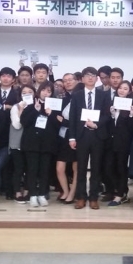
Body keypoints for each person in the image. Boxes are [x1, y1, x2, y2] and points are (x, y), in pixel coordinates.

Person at [68, 67, 112, 209]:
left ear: (97, 78)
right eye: (87, 75)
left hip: (98, 135)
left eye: (93, 75)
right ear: (82, 79)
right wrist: (72, 138)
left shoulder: (103, 95)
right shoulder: (77, 95)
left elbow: (107, 116)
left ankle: (93, 197)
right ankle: (81, 197)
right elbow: (73, 117)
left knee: (96, 168)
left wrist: (96, 124)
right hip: (81, 135)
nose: (90, 78)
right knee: (81, 168)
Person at [21, 81, 61, 206]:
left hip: (47, 143)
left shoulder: (55, 106)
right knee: (32, 170)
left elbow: (58, 125)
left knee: (45, 170)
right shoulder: (31, 103)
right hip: (31, 142)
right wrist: (35, 110)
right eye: (43, 90)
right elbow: (24, 122)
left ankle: (42, 194)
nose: (45, 93)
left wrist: (51, 114)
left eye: (49, 91)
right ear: (39, 91)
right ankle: (32, 195)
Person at [106, 80, 133, 206]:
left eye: (125, 89)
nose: (122, 90)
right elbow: (108, 124)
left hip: (124, 142)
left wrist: (131, 115)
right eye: (120, 88)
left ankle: (119, 195)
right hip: (111, 141)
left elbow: (132, 128)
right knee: (108, 168)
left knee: (121, 167)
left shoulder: (132, 106)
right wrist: (112, 115)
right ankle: (121, 190)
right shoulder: (112, 103)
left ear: (129, 91)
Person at [55, 74, 79, 204]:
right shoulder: (61, 99)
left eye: (70, 80)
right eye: (65, 81)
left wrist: (64, 121)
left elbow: (79, 122)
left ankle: (72, 193)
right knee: (60, 168)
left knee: (76, 168)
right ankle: (65, 191)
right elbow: (56, 118)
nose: (68, 82)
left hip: (77, 137)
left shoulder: (81, 97)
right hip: (62, 137)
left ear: (76, 81)